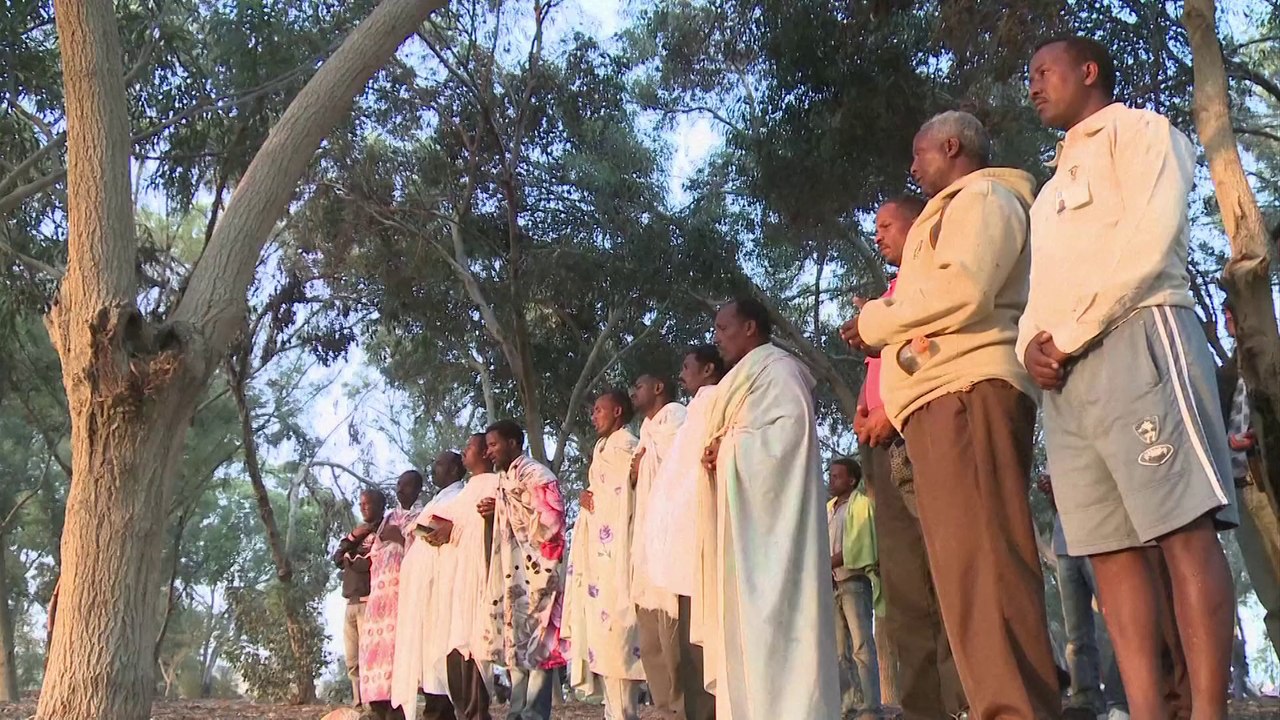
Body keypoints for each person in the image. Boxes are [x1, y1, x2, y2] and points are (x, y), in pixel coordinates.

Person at [1022, 35, 1237, 718]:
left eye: (1043, 71)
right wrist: (1031, 346)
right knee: (1109, 556)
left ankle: (1206, 709)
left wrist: (1076, 328)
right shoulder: (1047, 192)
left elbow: (1152, 232)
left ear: (1088, 72)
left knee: (1183, 531)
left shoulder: (1143, 132)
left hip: (1142, 335)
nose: (1033, 85)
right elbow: (1037, 293)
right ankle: (1146, 710)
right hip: (1066, 383)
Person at [843, 111, 1059, 718]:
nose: (912, 168)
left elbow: (961, 289)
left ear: (952, 146)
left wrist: (876, 323)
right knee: (965, 575)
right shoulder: (953, 210)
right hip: (940, 401)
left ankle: (1016, 708)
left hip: (967, 394)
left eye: (919, 155)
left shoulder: (982, 196)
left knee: (986, 569)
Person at [697, 298, 841, 719]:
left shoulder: (778, 370)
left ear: (751, 327)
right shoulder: (737, 380)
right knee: (742, 632)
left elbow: (789, 441)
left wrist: (730, 449)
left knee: (781, 631)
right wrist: (714, 456)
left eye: (724, 328)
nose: (717, 338)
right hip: (739, 533)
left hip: (779, 538)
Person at [853, 195, 967, 720]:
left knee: (945, 571)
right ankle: (923, 706)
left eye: (886, 225)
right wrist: (863, 408)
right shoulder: (889, 297)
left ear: (917, 225)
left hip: (916, 432)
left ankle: (962, 697)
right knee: (902, 584)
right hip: (879, 446)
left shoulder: (931, 282)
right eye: (875, 227)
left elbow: (931, 354)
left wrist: (890, 414)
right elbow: (884, 368)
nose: (878, 235)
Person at [646, 346, 725, 720]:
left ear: (708, 369)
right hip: (684, 540)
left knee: (698, 647)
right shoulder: (696, 408)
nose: (682, 373)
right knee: (687, 648)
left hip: (698, 539)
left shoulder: (709, 402)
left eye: (687, 366)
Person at [476, 420, 568, 720]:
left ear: (514, 443)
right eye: (487, 446)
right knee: (516, 642)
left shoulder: (537, 475)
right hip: (513, 574)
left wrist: (512, 507)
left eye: (493, 445)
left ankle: (534, 714)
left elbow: (551, 522)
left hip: (539, 573)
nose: (488, 452)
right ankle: (516, 711)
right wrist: (497, 509)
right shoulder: (504, 481)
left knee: (539, 643)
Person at [563, 389, 646, 719]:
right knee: (607, 650)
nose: (594, 415)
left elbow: (630, 490)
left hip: (619, 560)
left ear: (618, 412)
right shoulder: (602, 448)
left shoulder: (628, 445)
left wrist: (596, 501)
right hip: (598, 562)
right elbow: (598, 496)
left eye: (600, 409)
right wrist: (588, 501)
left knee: (621, 645)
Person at [1219, 301, 1280, 661]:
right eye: (1225, 313)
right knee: (1270, 596)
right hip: (1242, 491)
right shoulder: (1225, 374)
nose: (1229, 319)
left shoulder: (1273, 363)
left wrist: (1264, 434)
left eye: (1234, 311)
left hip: (1270, 484)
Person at [629, 372, 691, 720]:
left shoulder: (679, 419)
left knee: (673, 637)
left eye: (638, 387)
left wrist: (644, 462)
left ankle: (683, 708)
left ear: (658, 388)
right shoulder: (646, 432)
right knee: (650, 638)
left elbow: (681, 467)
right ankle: (663, 706)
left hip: (670, 537)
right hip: (646, 541)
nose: (633, 393)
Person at [390, 459, 468, 719]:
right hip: (425, 594)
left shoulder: (459, 497)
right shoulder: (438, 500)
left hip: (441, 591)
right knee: (429, 667)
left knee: (442, 664)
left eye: (440, 465)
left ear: (455, 470)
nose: (434, 469)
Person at [363, 472, 426, 720]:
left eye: (406, 486)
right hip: (380, 598)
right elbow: (375, 552)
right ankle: (378, 705)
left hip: (405, 597)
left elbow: (426, 552)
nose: (400, 490)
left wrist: (400, 538)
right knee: (376, 659)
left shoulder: (423, 516)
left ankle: (397, 709)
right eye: (398, 485)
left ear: (417, 489)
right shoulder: (388, 517)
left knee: (399, 658)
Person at [827, 458, 881, 718]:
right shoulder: (828, 508)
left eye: (837, 476)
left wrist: (823, 563)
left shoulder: (860, 506)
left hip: (854, 581)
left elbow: (854, 545)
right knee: (839, 650)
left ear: (851, 480)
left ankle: (870, 707)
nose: (831, 480)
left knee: (861, 646)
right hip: (832, 583)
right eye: (831, 475)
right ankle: (848, 707)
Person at [334, 488, 385, 708]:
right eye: (361, 504)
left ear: (379, 506)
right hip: (351, 602)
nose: (363, 508)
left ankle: (373, 702)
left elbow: (367, 563)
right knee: (352, 659)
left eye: (367, 504)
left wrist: (351, 559)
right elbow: (338, 557)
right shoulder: (359, 533)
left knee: (369, 656)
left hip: (369, 601)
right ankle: (358, 702)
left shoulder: (383, 531)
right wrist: (353, 538)